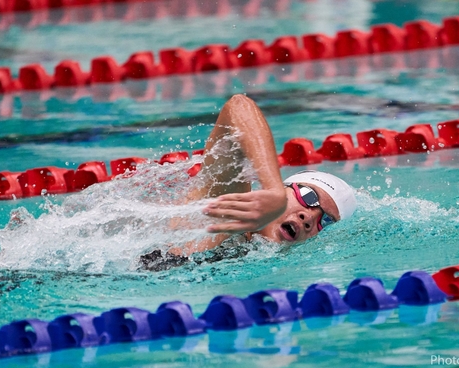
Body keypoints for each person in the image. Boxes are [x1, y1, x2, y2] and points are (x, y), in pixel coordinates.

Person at [140, 94, 356, 271]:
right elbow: (238, 107)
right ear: (284, 190)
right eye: (308, 195)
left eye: (326, 221)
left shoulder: (261, 259)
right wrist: (273, 192)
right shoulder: (228, 206)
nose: (308, 216)